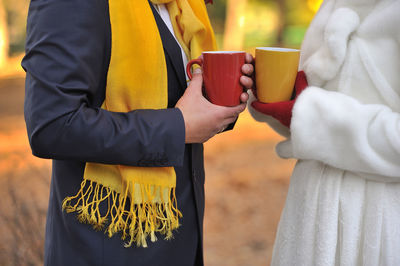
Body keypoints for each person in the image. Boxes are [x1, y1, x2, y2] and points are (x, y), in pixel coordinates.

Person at [22, 0, 254, 265]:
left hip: (179, 243)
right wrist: (178, 127)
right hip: (105, 248)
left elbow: (181, 99)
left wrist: (229, 90)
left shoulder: (180, 6)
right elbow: (52, 125)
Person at [249, 0, 400, 264]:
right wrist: (276, 97)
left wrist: (309, 113)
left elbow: (312, 113)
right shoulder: (332, 4)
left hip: (380, 219)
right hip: (310, 213)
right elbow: (307, 117)